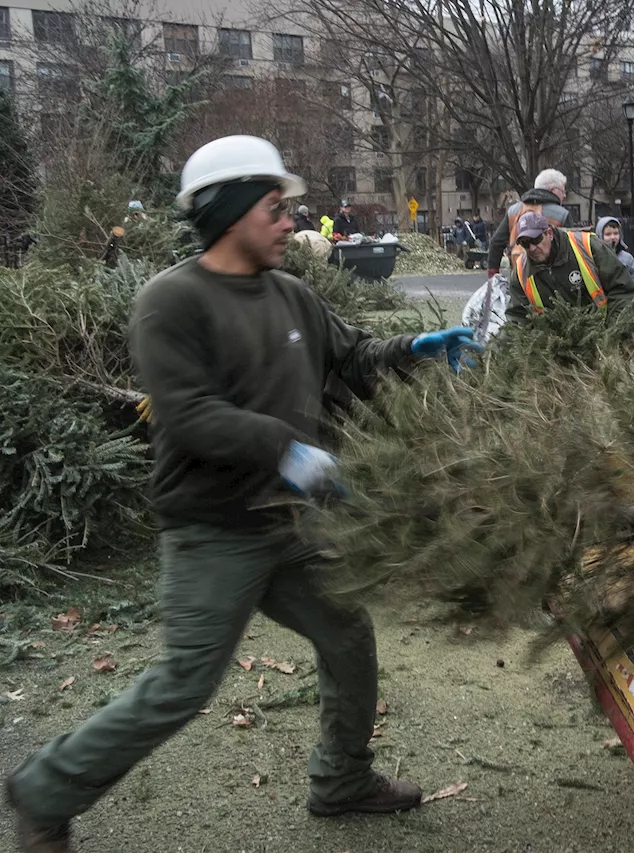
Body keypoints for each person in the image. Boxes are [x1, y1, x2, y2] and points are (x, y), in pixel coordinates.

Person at [4, 135, 483, 852]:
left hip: (291, 524)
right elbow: (189, 412)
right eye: (274, 207)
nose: (291, 222)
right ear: (230, 212)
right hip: (215, 529)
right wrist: (284, 448)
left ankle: (342, 779)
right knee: (184, 682)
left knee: (348, 636)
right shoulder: (170, 300)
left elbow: (351, 357)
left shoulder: (292, 293)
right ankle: (44, 789)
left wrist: (410, 352)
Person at [504, 211, 634, 324]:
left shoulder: (588, 247)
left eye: (536, 240)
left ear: (549, 234)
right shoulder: (521, 271)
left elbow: (623, 291)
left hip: (601, 335)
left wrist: (612, 332)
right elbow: (517, 318)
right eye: (525, 243)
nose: (532, 248)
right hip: (554, 347)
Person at [486, 168, 573, 276]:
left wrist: (492, 275)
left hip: (519, 276)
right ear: (552, 190)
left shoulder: (513, 211)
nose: (564, 195)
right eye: (562, 191)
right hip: (552, 278)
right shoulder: (562, 214)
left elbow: (496, 242)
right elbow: (572, 250)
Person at [595, 215, 634, 281]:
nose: (613, 237)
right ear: (600, 235)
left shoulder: (627, 258)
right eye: (608, 234)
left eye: (616, 233)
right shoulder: (595, 258)